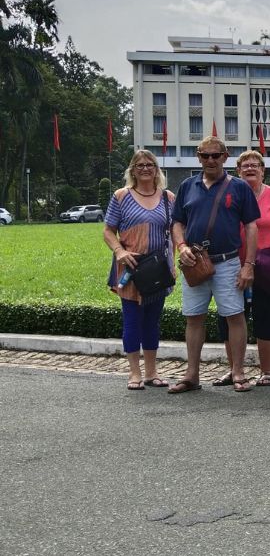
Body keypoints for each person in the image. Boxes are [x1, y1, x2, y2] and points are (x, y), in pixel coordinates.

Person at [168, 137, 260, 394]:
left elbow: (252, 227)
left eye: (215, 155)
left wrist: (248, 265)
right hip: (195, 261)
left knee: (235, 316)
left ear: (225, 156)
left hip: (228, 262)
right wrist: (182, 246)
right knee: (193, 317)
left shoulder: (239, 187)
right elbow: (177, 223)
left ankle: (238, 371)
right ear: (198, 157)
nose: (210, 160)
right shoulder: (187, 186)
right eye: (205, 155)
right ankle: (192, 374)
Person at [214, 150, 270, 388]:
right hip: (232, 266)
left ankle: (267, 371)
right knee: (229, 317)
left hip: (269, 266)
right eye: (245, 165)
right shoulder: (229, 195)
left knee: (267, 317)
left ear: (263, 170)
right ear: (237, 170)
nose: (250, 168)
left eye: (255, 165)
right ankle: (234, 370)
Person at [103, 150, 175, 390]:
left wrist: (173, 266)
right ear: (132, 170)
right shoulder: (121, 196)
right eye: (140, 165)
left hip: (157, 269)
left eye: (150, 164)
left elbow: (174, 233)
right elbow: (108, 231)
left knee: (153, 322)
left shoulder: (168, 198)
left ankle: (152, 372)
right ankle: (134, 372)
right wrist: (119, 252)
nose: (145, 168)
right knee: (132, 320)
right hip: (131, 268)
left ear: (157, 169)